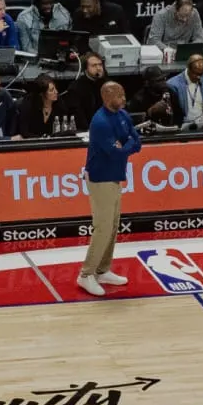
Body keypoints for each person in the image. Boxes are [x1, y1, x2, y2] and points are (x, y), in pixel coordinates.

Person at [74, 79, 139, 297]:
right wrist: (125, 145)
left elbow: (136, 142)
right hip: (100, 178)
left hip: (115, 176)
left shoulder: (123, 115)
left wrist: (126, 144)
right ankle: (86, 274)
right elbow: (116, 152)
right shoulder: (100, 122)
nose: (123, 98)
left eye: (123, 94)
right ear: (107, 97)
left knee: (113, 226)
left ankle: (102, 270)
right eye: (119, 95)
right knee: (102, 227)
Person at [167, 54, 203, 130]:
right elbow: (174, 113)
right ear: (188, 69)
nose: (199, 77)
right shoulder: (173, 85)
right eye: (196, 74)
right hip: (183, 126)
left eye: (201, 74)